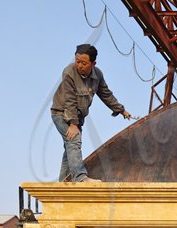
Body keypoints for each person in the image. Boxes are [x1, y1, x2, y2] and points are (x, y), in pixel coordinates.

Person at [50, 44, 132, 182]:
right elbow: (69, 100)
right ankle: (80, 178)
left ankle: (63, 182)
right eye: (77, 61)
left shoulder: (97, 75)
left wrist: (120, 109)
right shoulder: (69, 72)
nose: (79, 65)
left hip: (77, 118)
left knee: (69, 147)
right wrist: (73, 124)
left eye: (83, 63)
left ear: (93, 63)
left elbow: (105, 94)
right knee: (74, 140)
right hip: (61, 114)